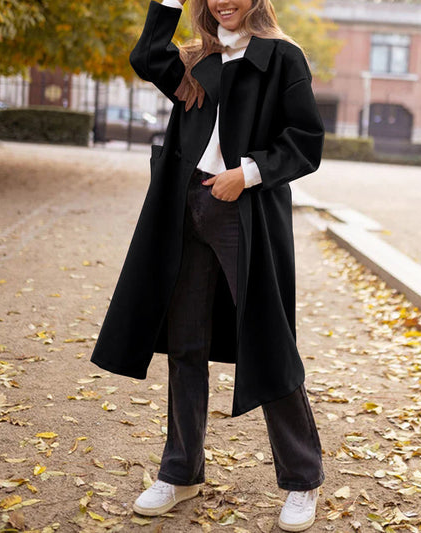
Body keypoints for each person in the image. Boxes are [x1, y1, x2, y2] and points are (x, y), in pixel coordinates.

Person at [90, 0, 325, 530]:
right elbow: (147, 53)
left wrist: (248, 173)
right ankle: (181, 471)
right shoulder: (198, 61)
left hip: (244, 211)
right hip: (185, 206)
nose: (226, 0)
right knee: (186, 343)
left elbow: (306, 143)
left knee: (269, 339)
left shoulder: (283, 58)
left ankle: (302, 480)